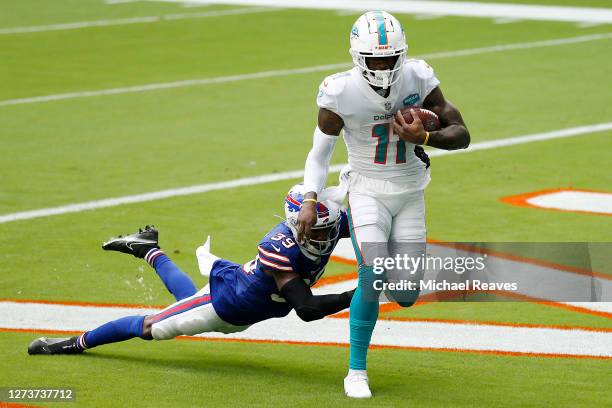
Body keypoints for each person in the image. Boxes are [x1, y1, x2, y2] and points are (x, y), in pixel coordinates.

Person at [296, 11, 470, 398]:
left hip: (409, 192)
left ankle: (376, 280)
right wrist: (310, 199)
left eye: (390, 58)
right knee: (372, 274)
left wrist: (424, 137)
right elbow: (319, 153)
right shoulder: (339, 91)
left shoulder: (419, 77)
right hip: (366, 190)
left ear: (402, 54)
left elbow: (462, 135)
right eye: (375, 59)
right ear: (358, 56)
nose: (383, 65)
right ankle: (356, 371)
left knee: (406, 295)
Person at [27, 185, 354, 355]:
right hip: (225, 303)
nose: (324, 236)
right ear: (297, 226)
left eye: (328, 230)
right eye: (317, 231)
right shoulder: (280, 249)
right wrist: (364, 291)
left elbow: (374, 227)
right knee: (151, 325)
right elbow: (308, 309)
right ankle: (72, 343)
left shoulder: (328, 222)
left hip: (239, 305)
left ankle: (147, 248)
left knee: (187, 299)